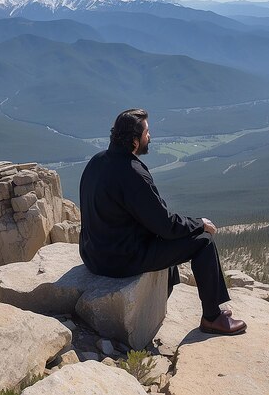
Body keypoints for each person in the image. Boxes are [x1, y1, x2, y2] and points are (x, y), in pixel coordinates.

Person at [79, 108, 246, 335]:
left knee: (164, 238)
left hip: (92, 254)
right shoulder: (132, 173)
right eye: (147, 132)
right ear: (135, 142)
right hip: (118, 260)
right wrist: (199, 223)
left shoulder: (97, 161)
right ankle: (212, 317)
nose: (150, 137)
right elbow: (166, 226)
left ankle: (167, 293)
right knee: (203, 241)